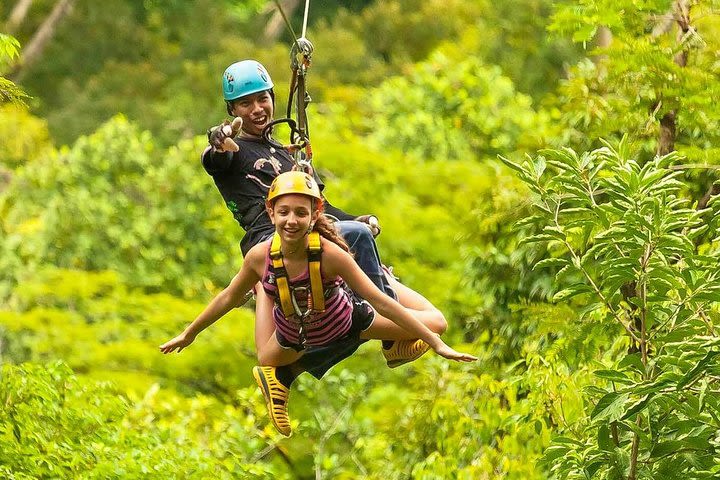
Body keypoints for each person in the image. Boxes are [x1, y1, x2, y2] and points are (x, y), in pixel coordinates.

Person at [160, 172, 477, 436]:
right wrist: (190, 333)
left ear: (316, 214)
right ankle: (264, 290)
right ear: (271, 213)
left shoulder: (331, 255)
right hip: (294, 339)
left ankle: (387, 278)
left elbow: (380, 300)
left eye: (301, 212)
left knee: (436, 321)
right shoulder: (259, 257)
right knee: (265, 357)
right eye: (283, 212)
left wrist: (436, 344)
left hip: (352, 323)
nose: (291, 221)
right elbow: (228, 297)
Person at [201, 59, 434, 379]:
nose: (257, 109)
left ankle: (294, 368)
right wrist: (220, 140)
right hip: (272, 238)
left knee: (352, 297)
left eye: (262, 98)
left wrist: (360, 218)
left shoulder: (285, 153)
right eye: (245, 103)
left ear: (272, 97)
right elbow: (216, 160)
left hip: (308, 232)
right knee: (357, 240)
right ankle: (392, 337)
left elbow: (321, 208)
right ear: (232, 110)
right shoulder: (235, 150)